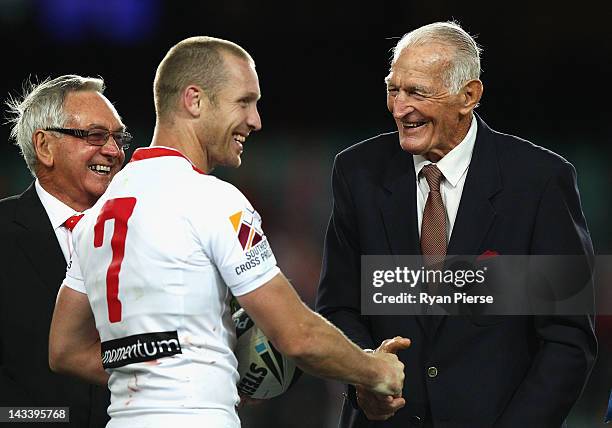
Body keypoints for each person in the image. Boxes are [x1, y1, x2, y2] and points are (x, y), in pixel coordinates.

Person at [47, 37, 408, 428]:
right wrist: (376, 370)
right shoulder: (212, 200)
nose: (256, 120)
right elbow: (298, 335)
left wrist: (165, 371)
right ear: (194, 100)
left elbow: (64, 350)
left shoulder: (96, 214)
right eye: (244, 101)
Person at [316, 21, 597, 427]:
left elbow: (567, 342)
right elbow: (339, 306)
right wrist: (364, 380)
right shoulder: (357, 172)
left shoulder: (539, 182)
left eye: (417, 92)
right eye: (394, 89)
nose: (399, 107)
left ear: (469, 95)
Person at [0, 75, 129, 426]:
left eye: (118, 138)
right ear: (44, 146)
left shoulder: (140, 235)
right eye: (95, 136)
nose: (114, 151)